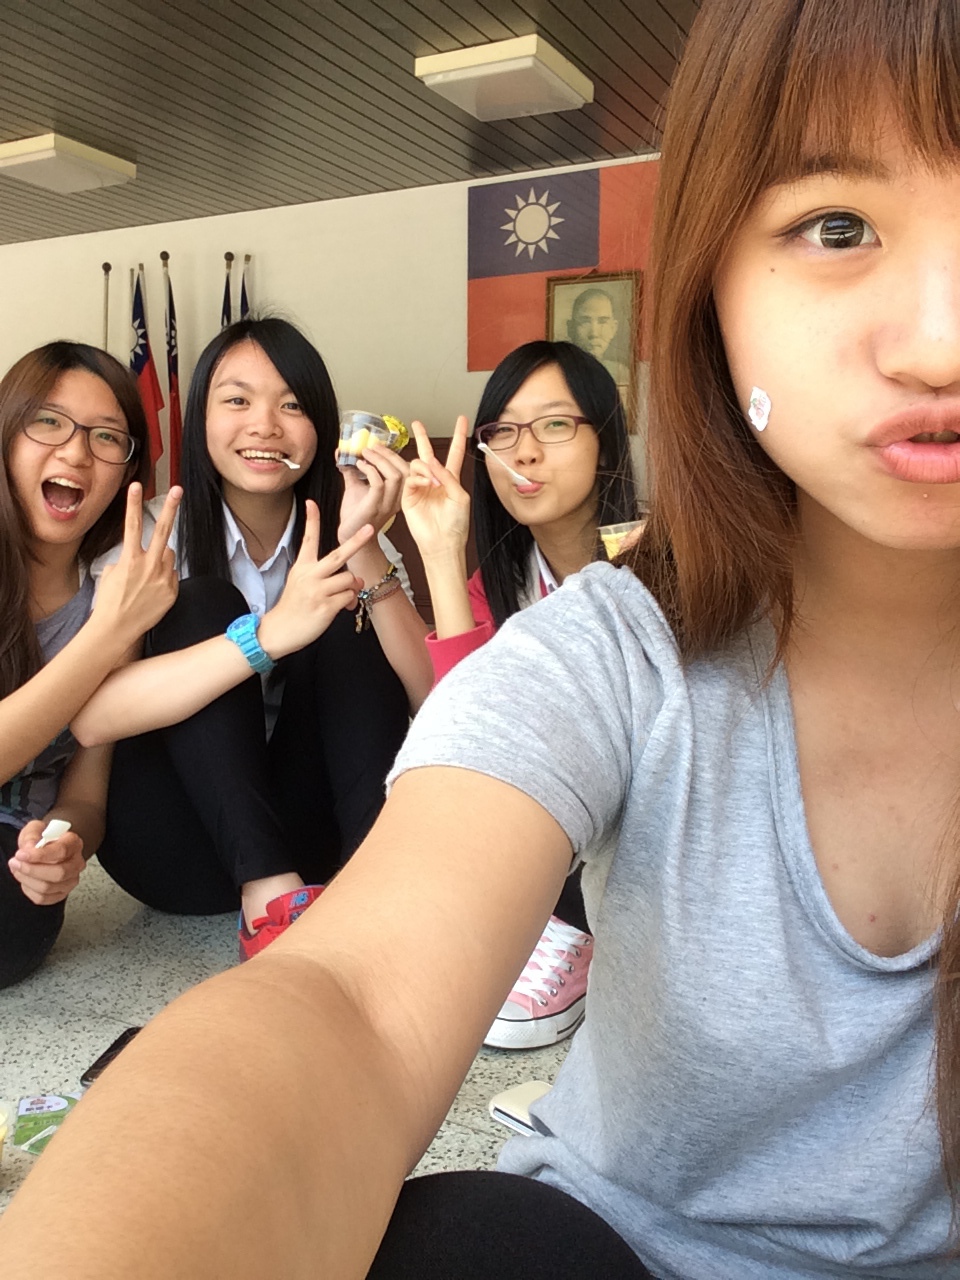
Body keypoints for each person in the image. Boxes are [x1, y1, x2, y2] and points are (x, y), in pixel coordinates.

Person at [4, 0, 960, 1274]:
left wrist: (376, 576)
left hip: (346, 810)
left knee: (337, 630)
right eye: (838, 226)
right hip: (236, 845)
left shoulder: (463, 543)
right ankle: (272, 891)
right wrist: (287, 622)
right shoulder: (613, 632)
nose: (940, 340)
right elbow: (354, 994)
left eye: (556, 428)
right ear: (711, 297)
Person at [72, 317, 432, 958]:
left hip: (313, 841)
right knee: (202, 602)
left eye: (291, 405)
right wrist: (265, 636)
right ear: (201, 419)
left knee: (340, 599)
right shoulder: (152, 536)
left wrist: (363, 546)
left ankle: (376, 882)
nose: (264, 426)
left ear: (321, 427)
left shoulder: (351, 530)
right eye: (237, 400)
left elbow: (432, 696)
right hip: (174, 841)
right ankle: (268, 899)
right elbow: (93, 717)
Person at [402, 339, 638, 1049]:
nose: (524, 453)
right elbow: (474, 733)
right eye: (502, 432)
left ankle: (568, 925)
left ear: (605, 443)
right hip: (548, 826)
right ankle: (538, 923)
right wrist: (441, 551)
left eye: (555, 424)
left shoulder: (659, 559)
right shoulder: (503, 584)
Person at [0, 341, 179, 989]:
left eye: (107, 437)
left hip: (12, 844)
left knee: (15, 930)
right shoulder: (113, 617)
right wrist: (107, 635)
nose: (76, 453)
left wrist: (65, 845)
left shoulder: (110, 591)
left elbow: (85, 794)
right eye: (48, 422)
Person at [567, 287, 631, 385]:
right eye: (585, 322)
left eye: (602, 322)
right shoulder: (558, 371)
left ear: (613, 328)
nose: (594, 333)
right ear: (571, 328)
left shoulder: (621, 373)